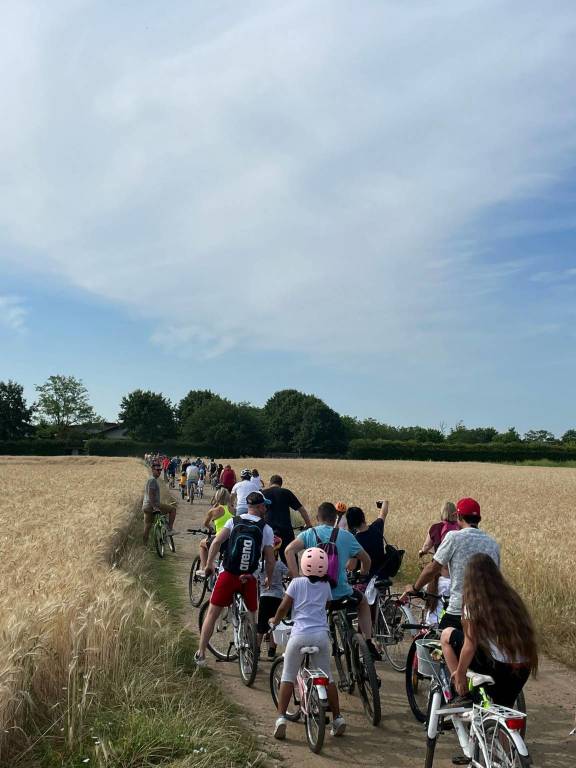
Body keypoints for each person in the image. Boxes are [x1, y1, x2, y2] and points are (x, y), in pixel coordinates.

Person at [441, 553, 537, 710]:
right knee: (503, 714)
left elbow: (470, 645)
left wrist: (459, 673)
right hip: (524, 665)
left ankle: (460, 694)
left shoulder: (474, 602)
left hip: (497, 665)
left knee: (446, 635)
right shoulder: (511, 597)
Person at [284, 502, 380, 659]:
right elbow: (366, 559)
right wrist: (363, 573)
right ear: (335, 517)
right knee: (362, 602)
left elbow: (289, 551)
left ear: (317, 517)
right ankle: (368, 641)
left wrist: (297, 578)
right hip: (341, 593)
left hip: (316, 595)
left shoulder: (309, 534)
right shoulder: (347, 536)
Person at [270, 547, 346, 740]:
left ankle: (281, 719)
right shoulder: (326, 586)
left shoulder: (296, 584)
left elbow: (283, 607)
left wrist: (275, 621)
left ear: (303, 564)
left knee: (288, 677)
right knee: (327, 678)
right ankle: (337, 718)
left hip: (299, 636)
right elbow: (327, 606)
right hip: (321, 637)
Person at [194, 491, 275, 667]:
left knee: (212, 613)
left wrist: (209, 564)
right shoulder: (266, 528)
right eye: (264, 506)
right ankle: (249, 655)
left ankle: (200, 654)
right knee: (252, 616)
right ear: (260, 507)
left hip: (229, 574)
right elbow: (270, 559)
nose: (266, 508)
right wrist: (268, 578)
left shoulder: (234, 521)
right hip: (249, 578)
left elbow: (215, 543)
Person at [402, 497, 500, 631]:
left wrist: (415, 588)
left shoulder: (454, 537)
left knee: (441, 641)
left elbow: (432, 569)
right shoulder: (492, 543)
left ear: (459, 516)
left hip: (459, 609)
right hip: (485, 610)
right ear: (479, 519)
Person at [418, 501, 459, 624]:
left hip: (440, 574)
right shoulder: (460, 528)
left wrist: (423, 551)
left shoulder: (436, 527)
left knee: (433, 600)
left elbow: (426, 547)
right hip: (457, 576)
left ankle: (432, 624)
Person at [263, 475, 313, 562]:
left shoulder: (263, 493)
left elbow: (257, 512)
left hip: (268, 531)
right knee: (289, 557)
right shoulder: (286, 492)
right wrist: (308, 524)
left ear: (270, 483)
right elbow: (302, 510)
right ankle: (293, 575)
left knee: (269, 559)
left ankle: (269, 574)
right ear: (281, 484)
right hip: (285, 530)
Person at [256, 536, 288, 658]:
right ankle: (271, 652)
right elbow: (289, 573)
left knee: (261, 626)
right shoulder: (279, 564)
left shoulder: (260, 565)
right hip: (277, 598)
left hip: (264, 597)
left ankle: (257, 651)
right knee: (275, 624)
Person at [345, 500, 390, 577]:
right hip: (382, 574)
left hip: (367, 579)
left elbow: (351, 566)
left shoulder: (355, 541)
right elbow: (383, 513)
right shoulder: (377, 527)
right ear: (363, 517)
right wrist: (384, 502)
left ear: (350, 524)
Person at [198, 487, 235, 568]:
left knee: (202, 544)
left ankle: (204, 569)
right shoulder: (233, 510)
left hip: (218, 540)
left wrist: (210, 528)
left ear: (217, 497)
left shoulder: (213, 511)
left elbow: (205, 523)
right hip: (230, 541)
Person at [142, 462, 176, 543]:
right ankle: (169, 529)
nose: (159, 472)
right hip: (152, 506)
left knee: (147, 526)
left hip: (145, 506)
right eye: (157, 470)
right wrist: (154, 507)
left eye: (160, 470)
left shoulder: (149, 479)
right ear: (153, 470)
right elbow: (150, 494)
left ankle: (144, 545)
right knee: (172, 510)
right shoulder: (153, 480)